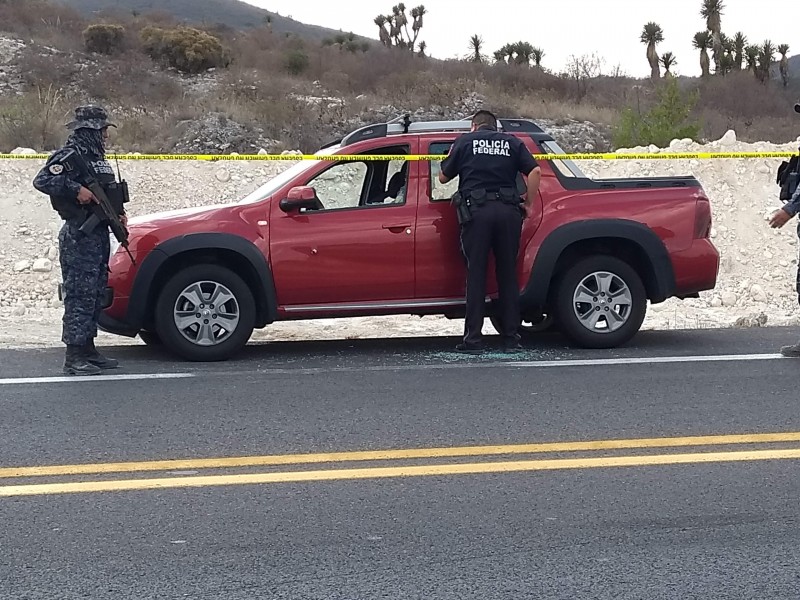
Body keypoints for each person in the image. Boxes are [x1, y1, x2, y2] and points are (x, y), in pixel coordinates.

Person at [438, 110, 542, 354]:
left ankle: (473, 340)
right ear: (495, 127)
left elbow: (443, 178)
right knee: (507, 274)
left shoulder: (464, 141)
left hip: (477, 213)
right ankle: (510, 339)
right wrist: (528, 203)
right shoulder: (512, 142)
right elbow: (535, 172)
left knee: (477, 274)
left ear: (474, 126)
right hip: (508, 212)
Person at [33, 105, 126, 375]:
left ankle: (88, 348)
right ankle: (74, 356)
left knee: (96, 292)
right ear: (91, 130)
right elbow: (42, 180)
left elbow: (109, 192)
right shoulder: (69, 156)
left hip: (98, 234)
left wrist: (119, 215)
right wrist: (76, 189)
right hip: (79, 233)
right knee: (79, 294)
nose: (106, 135)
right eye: (103, 130)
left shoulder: (98, 159)